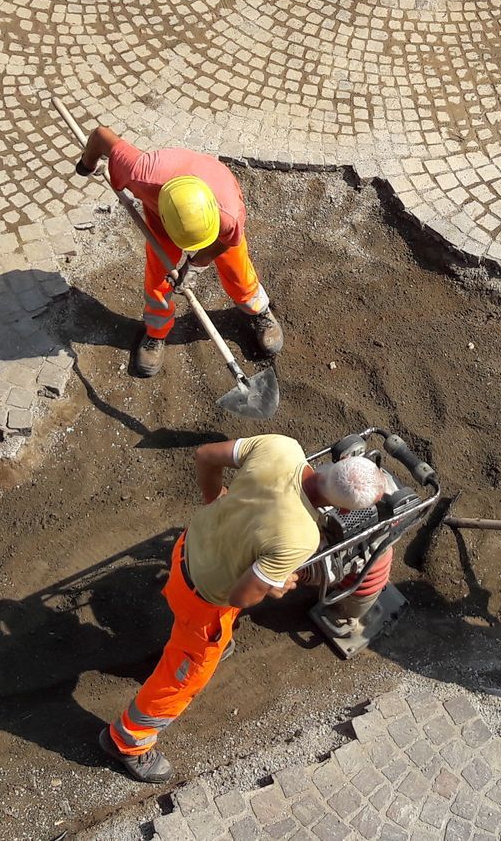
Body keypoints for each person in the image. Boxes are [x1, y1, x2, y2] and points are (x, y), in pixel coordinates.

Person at [100, 434, 387, 783]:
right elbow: (240, 598)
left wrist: (214, 498)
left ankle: (213, 645)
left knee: (216, 605)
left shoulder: (282, 448)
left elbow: (205, 455)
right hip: (204, 604)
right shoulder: (301, 538)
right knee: (180, 680)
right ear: (344, 511)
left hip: (188, 548)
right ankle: (127, 740)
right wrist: (276, 585)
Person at [77, 127, 283, 376]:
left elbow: (227, 241)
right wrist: (87, 164)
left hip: (212, 198)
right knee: (159, 273)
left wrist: (196, 264)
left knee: (236, 266)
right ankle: (156, 331)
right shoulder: (140, 172)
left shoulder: (228, 213)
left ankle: (259, 309)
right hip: (162, 206)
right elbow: (99, 136)